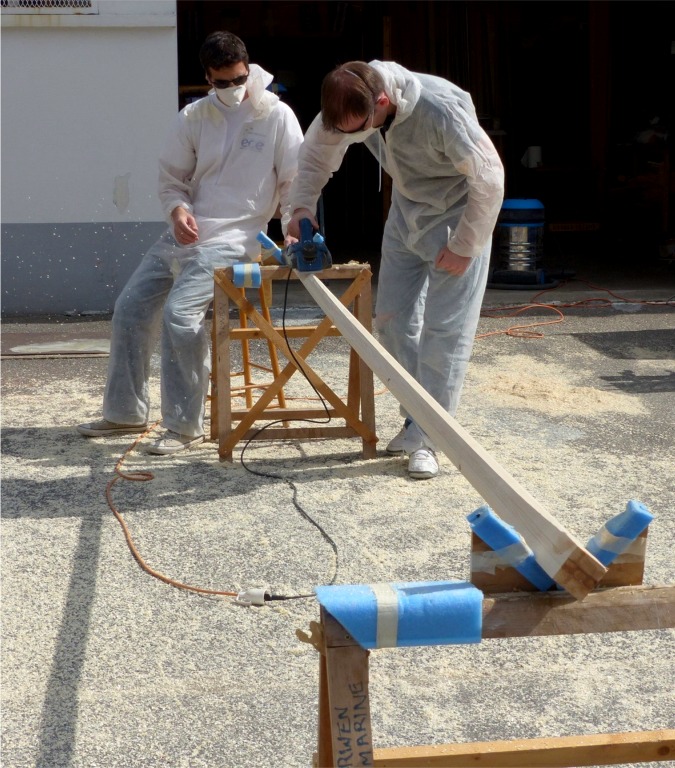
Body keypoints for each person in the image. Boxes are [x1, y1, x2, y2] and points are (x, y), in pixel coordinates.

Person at [78, 31, 303, 454]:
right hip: (187, 234)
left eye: (238, 80)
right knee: (130, 308)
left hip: (239, 235)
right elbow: (172, 181)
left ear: (247, 67)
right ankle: (125, 413)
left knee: (180, 316)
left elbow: (295, 182)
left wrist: (292, 225)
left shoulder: (276, 115)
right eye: (222, 83)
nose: (233, 90)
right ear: (207, 78)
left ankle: (184, 427)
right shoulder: (193, 118)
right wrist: (178, 212)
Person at [288, 61, 504, 479]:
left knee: (445, 332)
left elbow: (490, 178)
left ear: (383, 101)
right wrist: (300, 208)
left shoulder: (441, 108)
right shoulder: (349, 97)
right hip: (407, 215)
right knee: (391, 322)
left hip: (459, 216)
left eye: (358, 129)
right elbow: (316, 154)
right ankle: (416, 419)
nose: (349, 137)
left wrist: (464, 245)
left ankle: (430, 438)